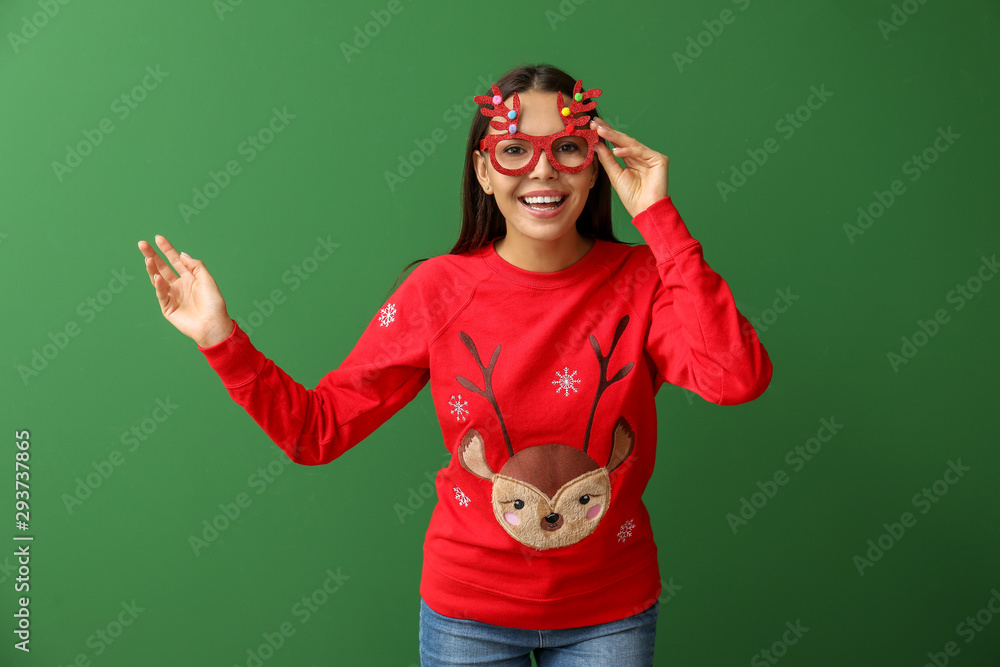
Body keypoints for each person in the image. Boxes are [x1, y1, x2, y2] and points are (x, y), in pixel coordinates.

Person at [137, 63, 773, 666]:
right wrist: (221, 338)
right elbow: (317, 431)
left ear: (596, 168)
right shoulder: (437, 291)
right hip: (469, 615)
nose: (543, 172)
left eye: (569, 150)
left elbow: (735, 377)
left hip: (610, 611)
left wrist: (659, 221)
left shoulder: (644, 280)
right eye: (515, 151)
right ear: (484, 172)